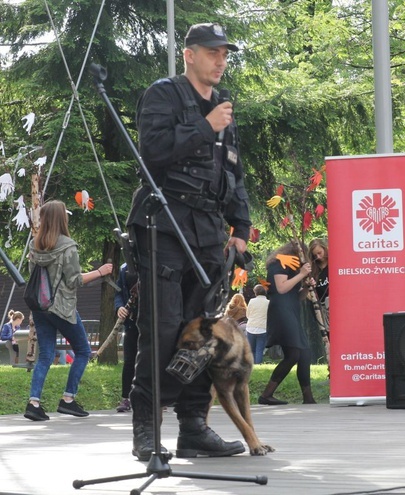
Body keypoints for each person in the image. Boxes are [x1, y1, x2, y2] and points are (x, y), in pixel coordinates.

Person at [126, 22, 251, 460]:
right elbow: (154, 151)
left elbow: (232, 173)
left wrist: (241, 228)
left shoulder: (223, 107)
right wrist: (204, 125)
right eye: (212, 52)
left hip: (208, 233)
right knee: (162, 332)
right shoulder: (165, 95)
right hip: (164, 225)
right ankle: (146, 431)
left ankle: (194, 428)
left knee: (205, 332)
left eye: (224, 53)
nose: (220, 60)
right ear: (189, 55)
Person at [24, 200, 114, 421]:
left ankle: (33, 403)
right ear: (62, 219)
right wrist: (100, 272)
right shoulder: (67, 246)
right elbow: (74, 280)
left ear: (45, 220)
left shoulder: (34, 246)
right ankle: (68, 400)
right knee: (83, 351)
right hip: (62, 308)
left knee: (45, 355)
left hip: (40, 307)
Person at [259, 241, 315, 405]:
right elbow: (281, 289)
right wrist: (301, 274)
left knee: (303, 354)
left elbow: (297, 296)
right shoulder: (278, 262)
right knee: (294, 354)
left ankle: (308, 397)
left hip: (291, 310)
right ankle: (266, 395)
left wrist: (305, 286)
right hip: (281, 311)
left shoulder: (292, 268)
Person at [114, 262, 139, 413]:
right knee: (129, 360)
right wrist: (119, 307)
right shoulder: (124, 267)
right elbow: (118, 293)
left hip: (152, 321)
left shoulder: (155, 261)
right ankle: (126, 398)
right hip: (132, 322)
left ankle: (157, 398)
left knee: (153, 359)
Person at [308, 238, 330, 361]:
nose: (318, 256)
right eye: (315, 255)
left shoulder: (335, 263)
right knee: (328, 340)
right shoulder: (313, 270)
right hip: (322, 309)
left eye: (320, 252)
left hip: (338, 305)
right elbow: (309, 295)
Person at [246, 284, 269, 364]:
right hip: (263, 328)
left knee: (251, 349)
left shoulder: (252, 301)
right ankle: (258, 364)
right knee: (259, 350)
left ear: (255, 293)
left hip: (251, 327)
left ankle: (251, 365)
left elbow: (247, 314)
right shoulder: (268, 303)